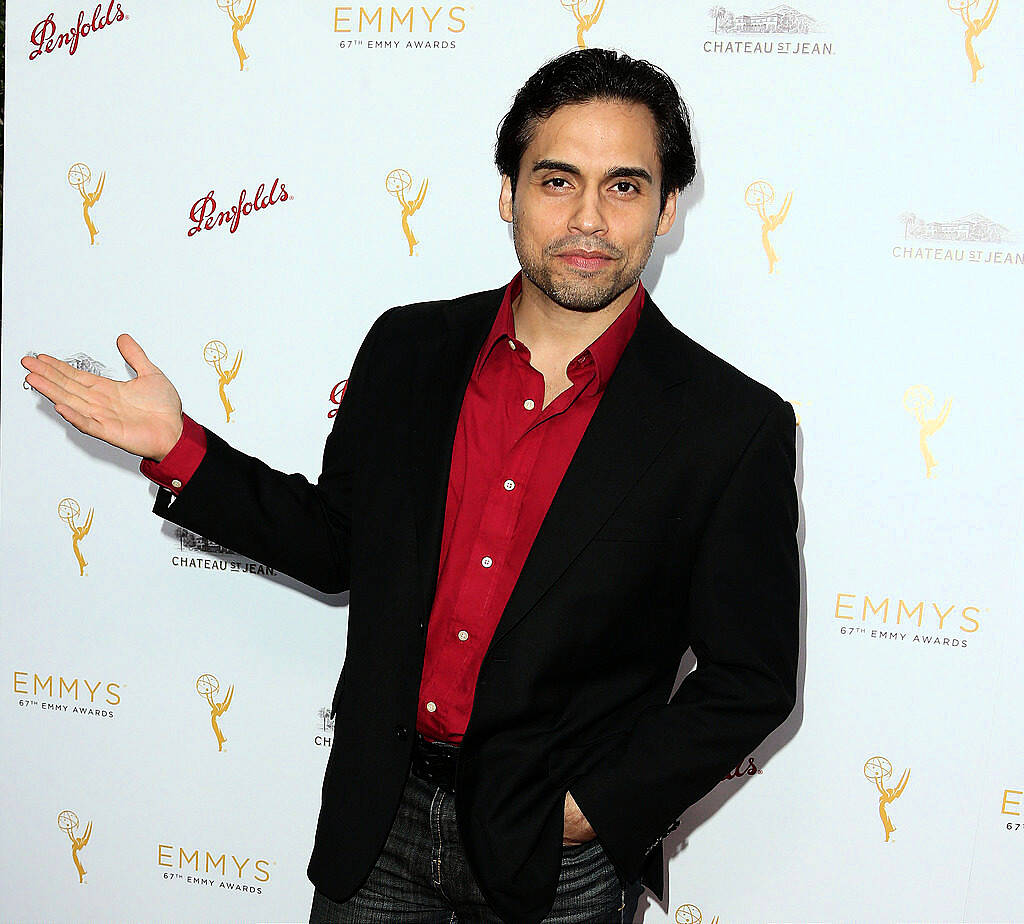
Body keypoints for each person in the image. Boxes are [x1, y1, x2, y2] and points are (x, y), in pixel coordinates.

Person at [22, 48, 800, 924]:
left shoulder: (732, 426)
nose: (588, 217)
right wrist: (179, 447)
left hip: (554, 864)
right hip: (377, 823)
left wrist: (595, 812)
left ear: (665, 209)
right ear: (508, 193)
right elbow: (335, 542)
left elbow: (751, 679)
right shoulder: (408, 349)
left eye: (624, 186)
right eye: (556, 180)